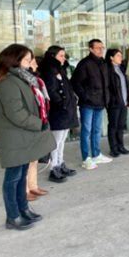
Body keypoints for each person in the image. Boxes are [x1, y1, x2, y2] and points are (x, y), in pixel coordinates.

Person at [0, 44, 55, 230]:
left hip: (23, 136)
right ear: (14, 60)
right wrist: (39, 123)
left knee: (21, 176)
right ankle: (13, 216)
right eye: (26, 59)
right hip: (14, 138)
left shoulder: (21, 78)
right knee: (13, 179)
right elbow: (16, 113)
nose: (30, 63)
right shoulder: (7, 82)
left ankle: (23, 209)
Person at [39, 45, 79, 183]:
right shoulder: (49, 70)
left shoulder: (59, 69)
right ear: (52, 56)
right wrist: (62, 104)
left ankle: (60, 163)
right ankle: (53, 168)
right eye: (61, 55)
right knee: (56, 141)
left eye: (64, 55)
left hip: (65, 109)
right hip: (59, 111)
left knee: (62, 140)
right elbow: (52, 91)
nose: (64, 58)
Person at [71, 39, 112, 170]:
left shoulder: (104, 63)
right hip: (88, 104)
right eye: (98, 48)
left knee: (97, 130)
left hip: (100, 102)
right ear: (91, 49)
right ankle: (86, 158)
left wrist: (107, 98)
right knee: (86, 130)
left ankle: (96, 154)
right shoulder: (85, 64)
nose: (101, 50)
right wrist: (86, 97)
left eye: (102, 47)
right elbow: (75, 83)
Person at [25, 56, 51, 200]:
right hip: (30, 124)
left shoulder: (37, 80)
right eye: (31, 61)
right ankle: (25, 190)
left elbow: (43, 101)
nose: (35, 63)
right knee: (26, 160)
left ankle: (33, 186)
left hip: (40, 121)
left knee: (34, 158)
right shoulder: (24, 82)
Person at [105, 49, 129, 158]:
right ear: (111, 57)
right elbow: (107, 87)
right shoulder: (108, 70)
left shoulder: (120, 68)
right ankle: (113, 148)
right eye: (118, 56)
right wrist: (110, 100)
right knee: (113, 126)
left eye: (121, 55)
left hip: (124, 102)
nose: (121, 57)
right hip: (115, 103)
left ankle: (121, 146)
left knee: (121, 126)